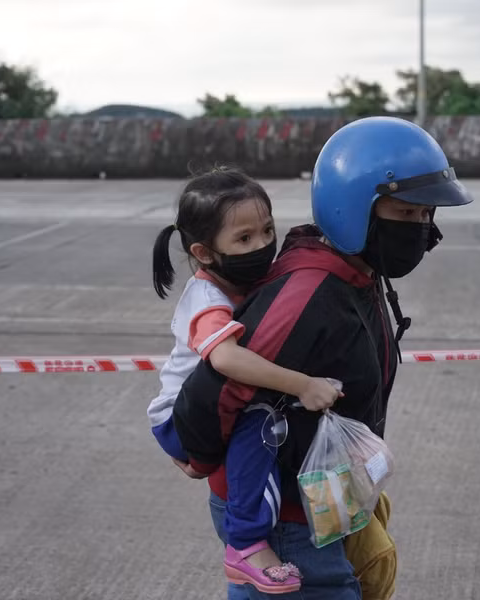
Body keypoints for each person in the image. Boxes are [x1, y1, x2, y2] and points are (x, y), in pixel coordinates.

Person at [170, 116, 474, 599]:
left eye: (426, 216)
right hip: (286, 528)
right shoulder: (310, 290)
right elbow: (214, 387)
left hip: (322, 504)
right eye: (407, 214)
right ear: (357, 208)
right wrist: (197, 455)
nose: (422, 230)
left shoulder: (357, 271)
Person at [146, 166, 342, 594]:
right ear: (204, 252)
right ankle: (246, 542)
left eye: (268, 231)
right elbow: (228, 360)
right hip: (179, 420)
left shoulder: (240, 280)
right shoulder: (207, 298)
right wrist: (303, 384)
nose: (263, 246)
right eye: (245, 239)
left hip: (205, 410)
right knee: (259, 419)